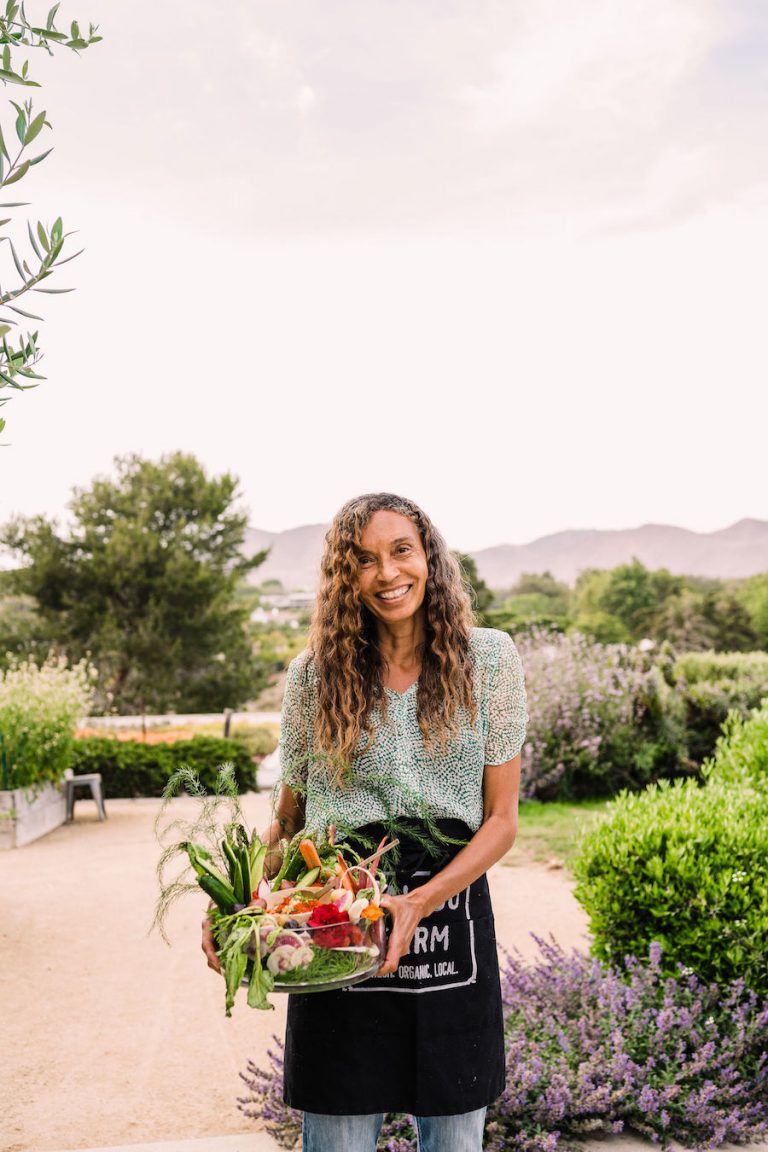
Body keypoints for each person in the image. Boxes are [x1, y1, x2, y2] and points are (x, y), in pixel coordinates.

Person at [203, 492, 528, 1152]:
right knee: (339, 1134)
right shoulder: (314, 676)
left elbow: (500, 820)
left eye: (400, 551)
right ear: (343, 576)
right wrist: (235, 910)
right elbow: (290, 823)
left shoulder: (489, 660)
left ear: (429, 558)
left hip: (450, 913)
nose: (386, 572)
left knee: (455, 1140)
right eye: (364, 559)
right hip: (335, 914)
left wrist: (419, 901)